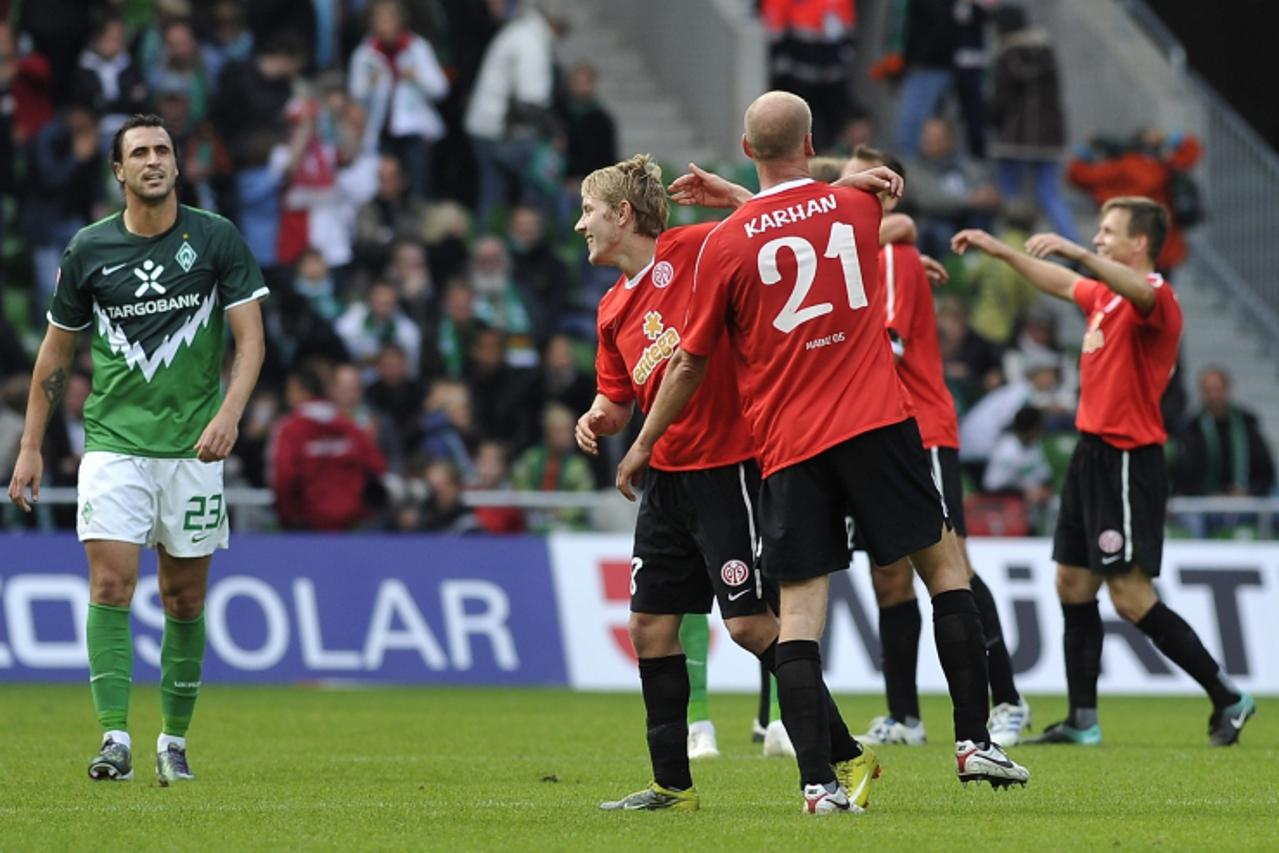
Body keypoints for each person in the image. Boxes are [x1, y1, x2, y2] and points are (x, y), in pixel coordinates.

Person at [619, 93, 1028, 813]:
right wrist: (790, 191)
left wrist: (642, 443)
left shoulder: (725, 242)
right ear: (811, 141)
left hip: (789, 445)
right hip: (875, 424)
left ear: (746, 150)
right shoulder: (856, 205)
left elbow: (694, 350)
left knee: (800, 616)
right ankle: (972, 740)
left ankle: (816, 785)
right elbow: (805, 224)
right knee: (944, 568)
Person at [575, 154, 874, 812]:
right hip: (666, 481)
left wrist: (729, 193)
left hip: (729, 466)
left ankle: (844, 751)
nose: (581, 225)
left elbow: (775, 227)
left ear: (622, 215)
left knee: (746, 625)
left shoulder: (691, 247)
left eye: (590, 211)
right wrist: (598, 416)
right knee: (650, 626)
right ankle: (671, 785)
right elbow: (616, 395)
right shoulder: (609, 310)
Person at [7, 114, 268, 783]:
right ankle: (115, 737)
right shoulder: (88, 250)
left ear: (177, 165)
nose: (153, 160)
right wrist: (31, 445)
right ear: (118, 171)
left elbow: (251, 341)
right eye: (139, 153)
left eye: (163, 150)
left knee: (183, 599)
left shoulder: (216, 239)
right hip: (114, 445)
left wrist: (229, 414)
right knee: (112, 583)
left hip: (195, 450)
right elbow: (55, 356)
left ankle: (172, 741)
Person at [952, 196, 1257, 746]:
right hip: (1091, 456)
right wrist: (1001, 251)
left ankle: (1228, 696)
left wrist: (1075, 251)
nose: (1097, 237)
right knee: (1071, 582)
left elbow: (1138, 288)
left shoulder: (1155, 297)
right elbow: (1061, 284)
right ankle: (1083, 720)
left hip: (1126, 458)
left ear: (1137, 242)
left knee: (1130, 594)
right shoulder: (1106, 300)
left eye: (1107, 231)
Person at [843, 146, 1032, 748]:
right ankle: (905, 716)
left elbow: (887, 349)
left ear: (887, 192)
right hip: (872, 433)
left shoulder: (895, 259)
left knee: (952, 570)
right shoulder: (864, 258)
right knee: (889, 580)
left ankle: (1007, 701)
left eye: (856, 181)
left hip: (917, 430)